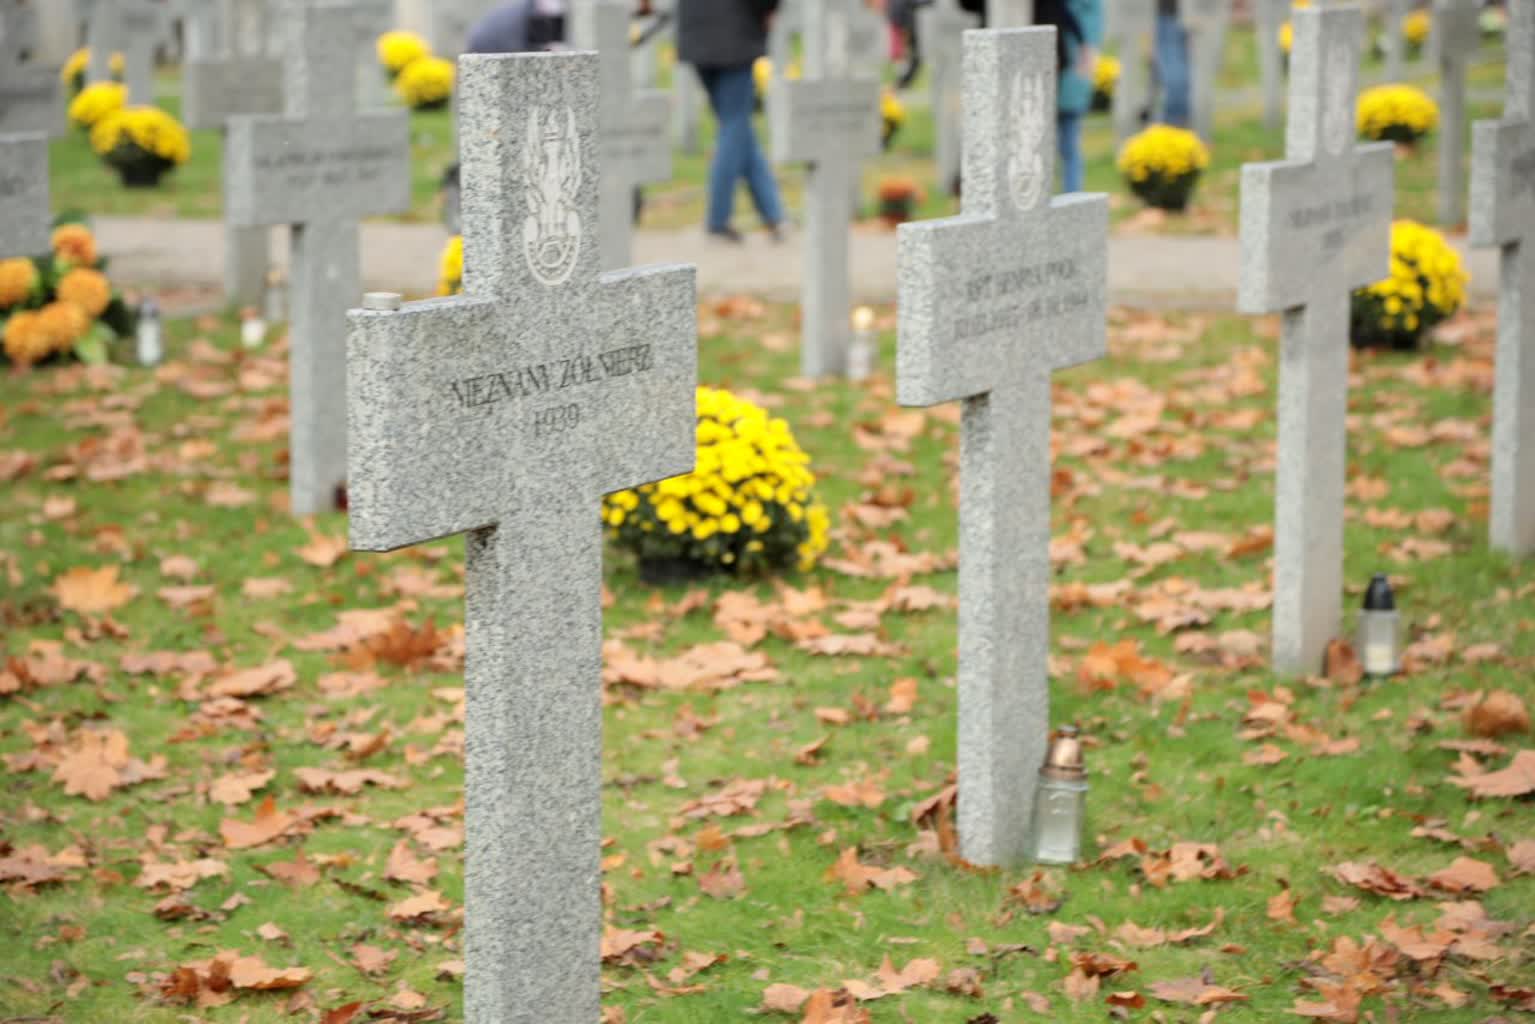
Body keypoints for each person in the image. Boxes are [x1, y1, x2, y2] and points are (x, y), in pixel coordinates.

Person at [677, 0, 786, 243]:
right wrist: (769, 9)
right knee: (735, 125)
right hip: (736, 34)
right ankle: (718, 221)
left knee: (736, 128)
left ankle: (774, 215)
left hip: (696, 33)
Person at [1033, 0, 1100, 193]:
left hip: (1056, 71)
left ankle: (1070, 192)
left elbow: (1064, 14)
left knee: (1063, 143)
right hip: (1051, 68)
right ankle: (1065, 191)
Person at [1154, 0, 1191, 127]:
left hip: (1169, 13)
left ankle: (1174, 121)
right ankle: (1177, 119)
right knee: (1180, 66)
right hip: (1179, 12)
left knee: (1174, 68)